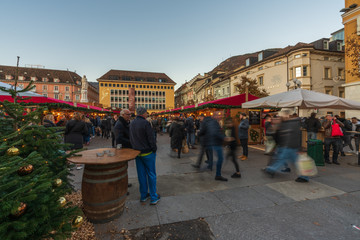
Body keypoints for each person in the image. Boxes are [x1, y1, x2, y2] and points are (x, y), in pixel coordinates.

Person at [264, 110, 308, 182]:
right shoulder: (291, 123)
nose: (280, 117)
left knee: (282, 159)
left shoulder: (290, 123)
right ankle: (304, 177)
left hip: (288, 146)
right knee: (294, 162)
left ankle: (271, 169)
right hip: (291, 146)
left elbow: (289, 136)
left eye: (281, 116)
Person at [129, 107, 160, 205]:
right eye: (146, 113)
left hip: (137, 153)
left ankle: (143, 196)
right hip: (147, 152)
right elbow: (151, 138)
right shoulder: (146, 123)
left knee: (141, 175)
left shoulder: (132, 123)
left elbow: (131, 137)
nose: (147, 114)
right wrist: (154, 148)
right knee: (151, 174)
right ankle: (153, 197)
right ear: (143, 114)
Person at [198, 114, 227, 181]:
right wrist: (224, 138)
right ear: (214, 116)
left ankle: (213, 171)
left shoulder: (206, 122)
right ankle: (217, 174)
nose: (220, 117)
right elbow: (215, 133)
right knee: (220, 159)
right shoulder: (214, 122)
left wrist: (199, 133)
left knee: (216, 158)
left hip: (209, 143)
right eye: (219, 115)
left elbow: (202, 132)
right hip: (215, 143)